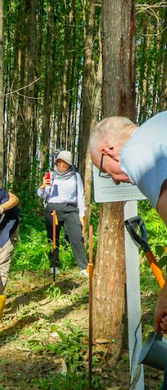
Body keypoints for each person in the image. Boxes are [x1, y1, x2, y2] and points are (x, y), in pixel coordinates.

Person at [89, 113, 167, 336]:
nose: (113, 179)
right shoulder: (160, 123)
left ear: (109, 150)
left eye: (104, 170)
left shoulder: (135, 153)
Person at [37, 150, 88, 276]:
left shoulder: (75, 176)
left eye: (64, 163)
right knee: (53, 237)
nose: (61, 166)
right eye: (59, 163)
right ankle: (53, 265)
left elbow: (80, 195)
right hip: (53, 208)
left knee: (76, 237)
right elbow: (42, 195)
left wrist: (82, 215)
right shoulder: (51, 175)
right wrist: (43, 186)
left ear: (69, 164)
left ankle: (83, 267)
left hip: (71, 209)